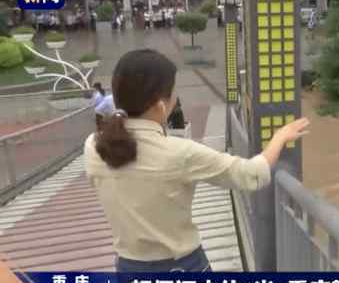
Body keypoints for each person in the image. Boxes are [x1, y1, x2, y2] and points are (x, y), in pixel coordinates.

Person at [84, 49, 309, 272]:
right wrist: (279, 138)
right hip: (181, 267)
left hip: (127, 268)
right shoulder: (179, 153)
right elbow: (249, 174)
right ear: (160, 105)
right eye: (173, 93)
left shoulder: (93, 146)